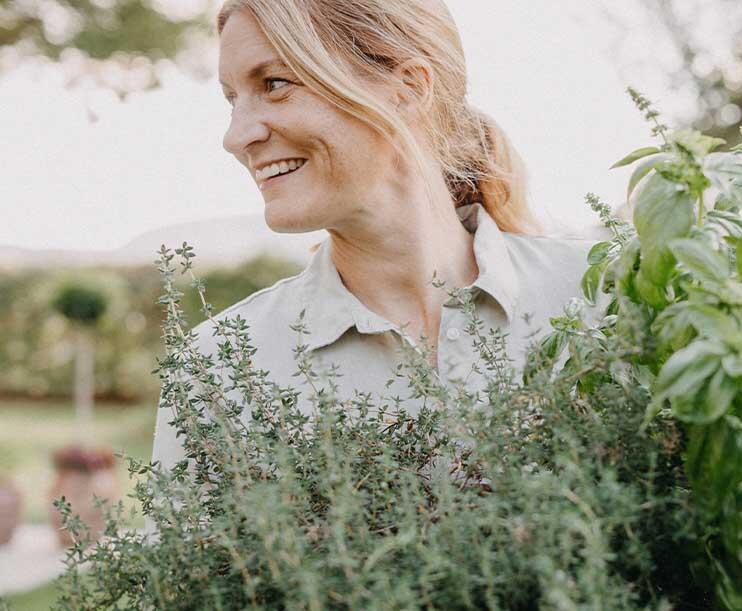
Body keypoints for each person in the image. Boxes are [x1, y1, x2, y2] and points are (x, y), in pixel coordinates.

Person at [151, 0, 610, 469]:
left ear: (407, 89)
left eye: (275, 84)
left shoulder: (609, 296)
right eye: (232, 99)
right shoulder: (216, 372)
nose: (236, 135)